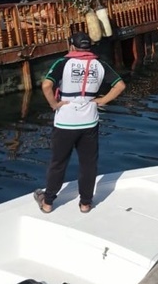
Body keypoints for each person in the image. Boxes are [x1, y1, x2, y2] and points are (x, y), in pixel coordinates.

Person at [34, 32, 126, 214]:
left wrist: (54, 104)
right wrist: (102, 100)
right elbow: (120, 85)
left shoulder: (63, 63)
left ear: (72, 45)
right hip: (89, 121)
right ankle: (85, 203)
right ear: (88, 47)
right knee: (88, 163)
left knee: (58, 162)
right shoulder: (99, 64)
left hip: (65, 122)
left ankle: (48, 202)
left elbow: (46, 85)